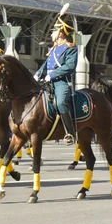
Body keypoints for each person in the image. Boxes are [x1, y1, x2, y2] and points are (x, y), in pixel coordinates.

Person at [33, 15, 78, 145]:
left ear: (61, 33)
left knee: (60, 103)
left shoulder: (70, 48)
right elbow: (46, 64)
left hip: (61, 82)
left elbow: (69, 66)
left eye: (55, 31)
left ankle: (70, 133)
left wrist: (51, 75)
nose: (52, 34)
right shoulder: (53, 48)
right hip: (48, 81)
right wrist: (37, 74)